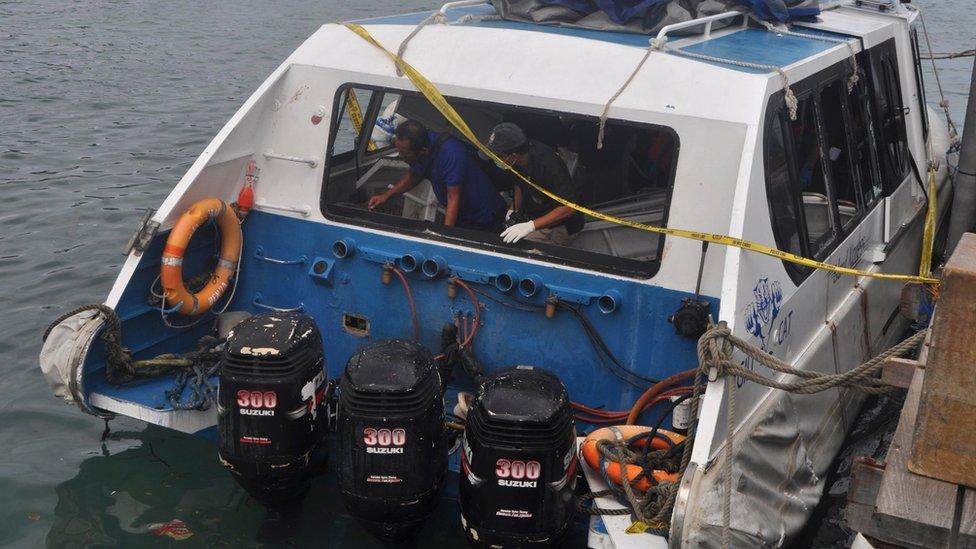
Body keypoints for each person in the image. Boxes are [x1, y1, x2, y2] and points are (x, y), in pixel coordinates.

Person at [368, 120, 506, 232]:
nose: (401, 156)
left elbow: (453, 197)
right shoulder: (423, 144)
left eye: (405, 153)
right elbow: (415, 175)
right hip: (461, 214)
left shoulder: (452, 154)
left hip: (484, 215)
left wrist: (443, 238)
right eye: (399, 151)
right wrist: (386, 195)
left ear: (423, 151)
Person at [483, 123, 584, 245]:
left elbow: (569, 208)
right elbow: (520, 183)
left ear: (513, 156)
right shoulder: (514, 161)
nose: (496, 159)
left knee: (539, 251)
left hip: (563, 223)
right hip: (539, 212)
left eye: (498, 156)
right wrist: (512, 211)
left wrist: (530, 226)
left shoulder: (549, 166)